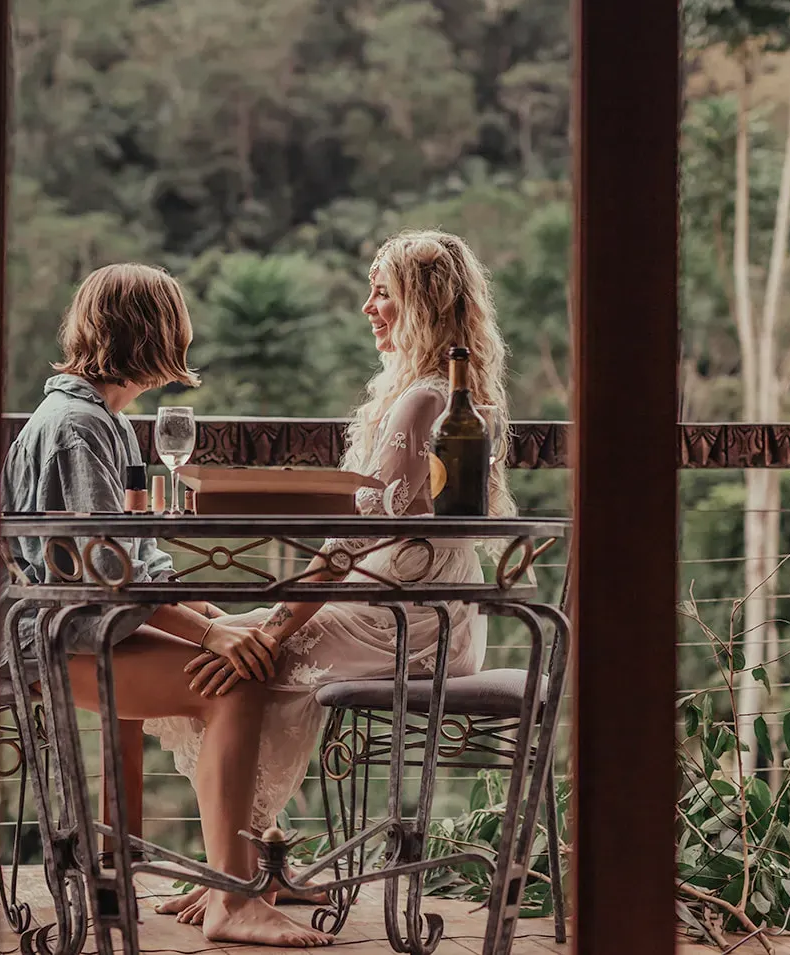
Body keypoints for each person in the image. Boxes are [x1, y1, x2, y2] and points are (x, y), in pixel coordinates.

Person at [147, 230, 516, 924]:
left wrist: (282, 618)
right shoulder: (445, 395)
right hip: (441, 616)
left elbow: (354, 541)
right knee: (232, 641)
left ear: (424, 305)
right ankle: (248, 868)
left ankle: (240, 874)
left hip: (408, 622)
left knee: (236, 656)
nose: (368, 307)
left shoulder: (422, 402)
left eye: (384, 293)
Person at [1, 262, 332, 947]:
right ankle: (232, 896)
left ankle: (206, 869)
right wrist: (210, 638)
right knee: (234, 684)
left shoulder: (101, 420)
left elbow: (132, 566)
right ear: (150, 333)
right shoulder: (77, 428)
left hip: (97, 630)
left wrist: (211, 620)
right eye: (177, 323)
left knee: (261, 639)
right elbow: (106, 570)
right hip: (63, 642)